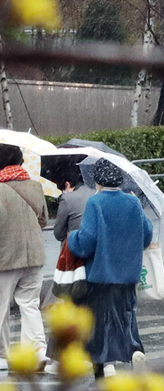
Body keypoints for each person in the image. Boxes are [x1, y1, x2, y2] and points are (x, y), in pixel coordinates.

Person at [68, 159, 153, 378]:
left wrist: (73, 238)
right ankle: (134, 350)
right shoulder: (132, 202)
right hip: (129, 275)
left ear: (98, 180)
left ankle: (102, 368)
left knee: (101, 325)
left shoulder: (95, 203)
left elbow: (87, 241)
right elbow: (146, 235)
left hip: (102, 276)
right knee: (127, 318)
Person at [0, 143, 49, 372]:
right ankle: (37, 350)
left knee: (0, 306)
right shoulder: (36, 186)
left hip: (5, 257)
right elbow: (43, 220)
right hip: (34, 256)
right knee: (30, 304)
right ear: (20, 160)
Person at [53, 166, 94, 242]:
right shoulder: (95, 193)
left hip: (75, 244)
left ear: (67, 184)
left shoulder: (67, 199)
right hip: (94, 243)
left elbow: (58, 233)